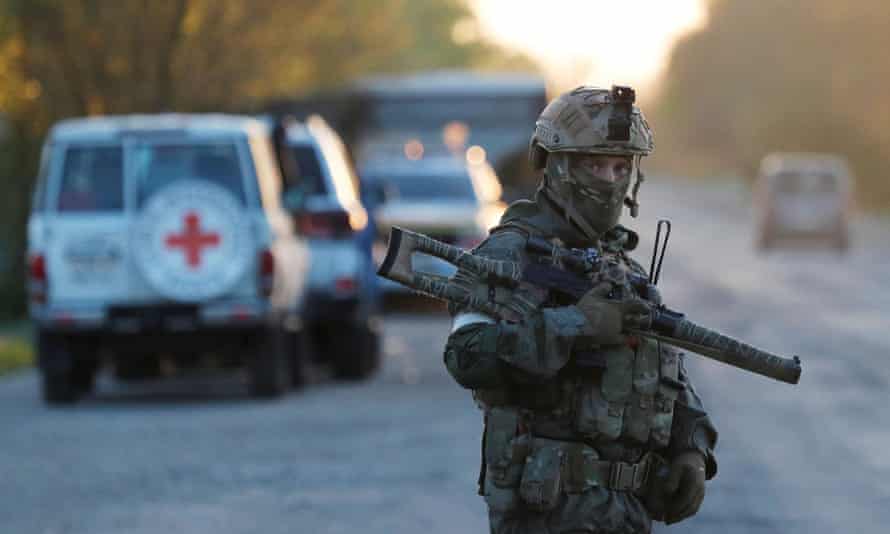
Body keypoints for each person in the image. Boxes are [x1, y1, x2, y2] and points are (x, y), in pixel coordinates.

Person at [443, 86, 718, 533]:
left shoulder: (624, 268)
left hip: (627, 514)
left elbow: (663, 368)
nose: (610, 180)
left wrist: (691, 444)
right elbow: (466, 356)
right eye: (594, 164)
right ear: (555, 166)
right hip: (545, 512)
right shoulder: (511, 255)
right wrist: (576, 326)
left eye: (620, 166)